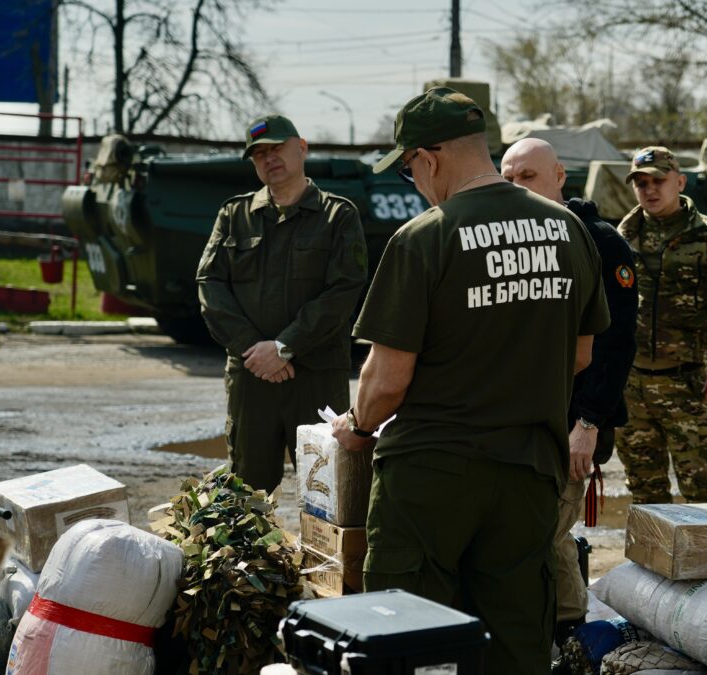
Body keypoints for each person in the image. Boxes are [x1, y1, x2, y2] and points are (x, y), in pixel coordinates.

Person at [330, 87, 609, 675]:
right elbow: (582, 355)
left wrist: (356, 428)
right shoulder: (568, 230)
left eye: (409, 170)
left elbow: (386, 382)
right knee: (514, 636)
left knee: (407, 637)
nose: (413, 184)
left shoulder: (425, 237)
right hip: (529, 471)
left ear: (429, 159)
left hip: (432, 478)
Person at [499, 138, 638, 647]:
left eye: (528, 176)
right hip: (517, 419)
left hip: (572, 420)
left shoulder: (601, 242)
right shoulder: (507, 237)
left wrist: (588, 423)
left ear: (560, 176)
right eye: (508, 177)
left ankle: (569, 637)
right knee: (520, 532)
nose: (517, 187)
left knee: (547, 532)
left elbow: (617, 343)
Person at [196, 114, 367, 494]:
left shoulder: (337, 215)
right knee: (246, 489)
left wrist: (285, 347)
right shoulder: (234, 215)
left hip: (316, 374)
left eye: (276, 149)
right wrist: (254, 351)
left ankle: (329, 556)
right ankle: (251, 558)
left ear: (302, 147)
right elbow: (210, 285)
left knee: (328, 486)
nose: (268, 158)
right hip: (251, 375)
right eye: (258, 154)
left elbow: (344, 291)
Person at [615, 146, 707, 504]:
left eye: (659, 180)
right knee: (645, 493)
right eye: (641, 183)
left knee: (704, 491)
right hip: (633, 387)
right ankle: (649, 562)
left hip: (687, 384)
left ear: (680, 182)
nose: (650, 190)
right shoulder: (621, 237)